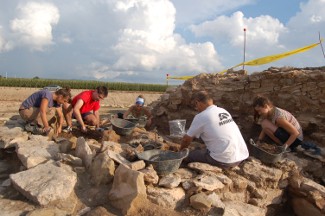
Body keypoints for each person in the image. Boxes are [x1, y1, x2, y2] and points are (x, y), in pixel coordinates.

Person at [180, 91, 249, 169]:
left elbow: (186, 139)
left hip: (223, 160)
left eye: (196, 106)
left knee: (189, 155)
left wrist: (181, 152)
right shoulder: (223, 111)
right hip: (241, 156)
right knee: (202, 148)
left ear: (197, 103)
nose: (197, 109)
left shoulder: (201, 116)